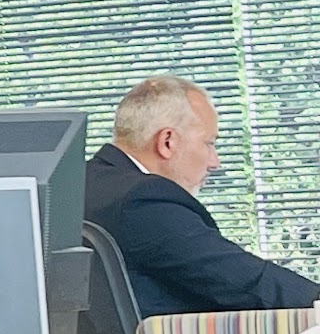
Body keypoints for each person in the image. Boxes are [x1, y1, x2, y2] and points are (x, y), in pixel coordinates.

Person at [85, 74, 320, 316]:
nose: (215, 162)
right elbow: (245, 281)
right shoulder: (143, 199)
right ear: (167, 142)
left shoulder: (81, 186)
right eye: (209, 143)